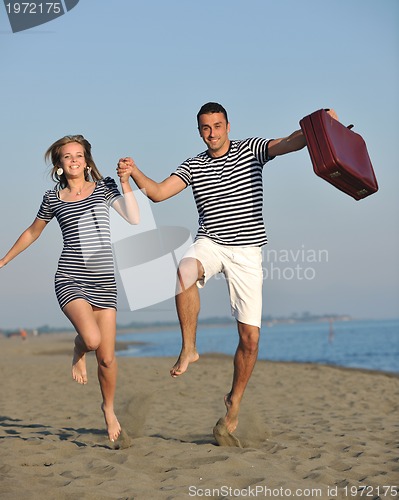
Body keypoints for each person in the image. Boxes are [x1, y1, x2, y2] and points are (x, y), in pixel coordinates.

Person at [117, 102, 337, 436]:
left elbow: (291, 142)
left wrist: (321, 124)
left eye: (218, 126)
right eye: (206, 128)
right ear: (199, 131)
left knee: (250, 340)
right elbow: (160, 193)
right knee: (183, 270)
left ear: (228, 126)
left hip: (247, 252)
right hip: (212, 242)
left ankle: (234, 402)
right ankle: (189, 348)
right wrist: (134, 172)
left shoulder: (252, 149)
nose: (212, 133)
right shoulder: (193, 165)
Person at [0, 135, 140, 443]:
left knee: (107, 359)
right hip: (70, 277)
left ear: (87, 161)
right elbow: (32, 232)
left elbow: (134, 217)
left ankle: (108, 407)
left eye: (79, 155)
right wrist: (3, 260)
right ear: (59, 165)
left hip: (104, 282)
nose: (74, 160)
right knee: (91, 340)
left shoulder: (104, 189)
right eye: (67, 156)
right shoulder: (53, 198)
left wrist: (126, 183)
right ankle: (78, 349)